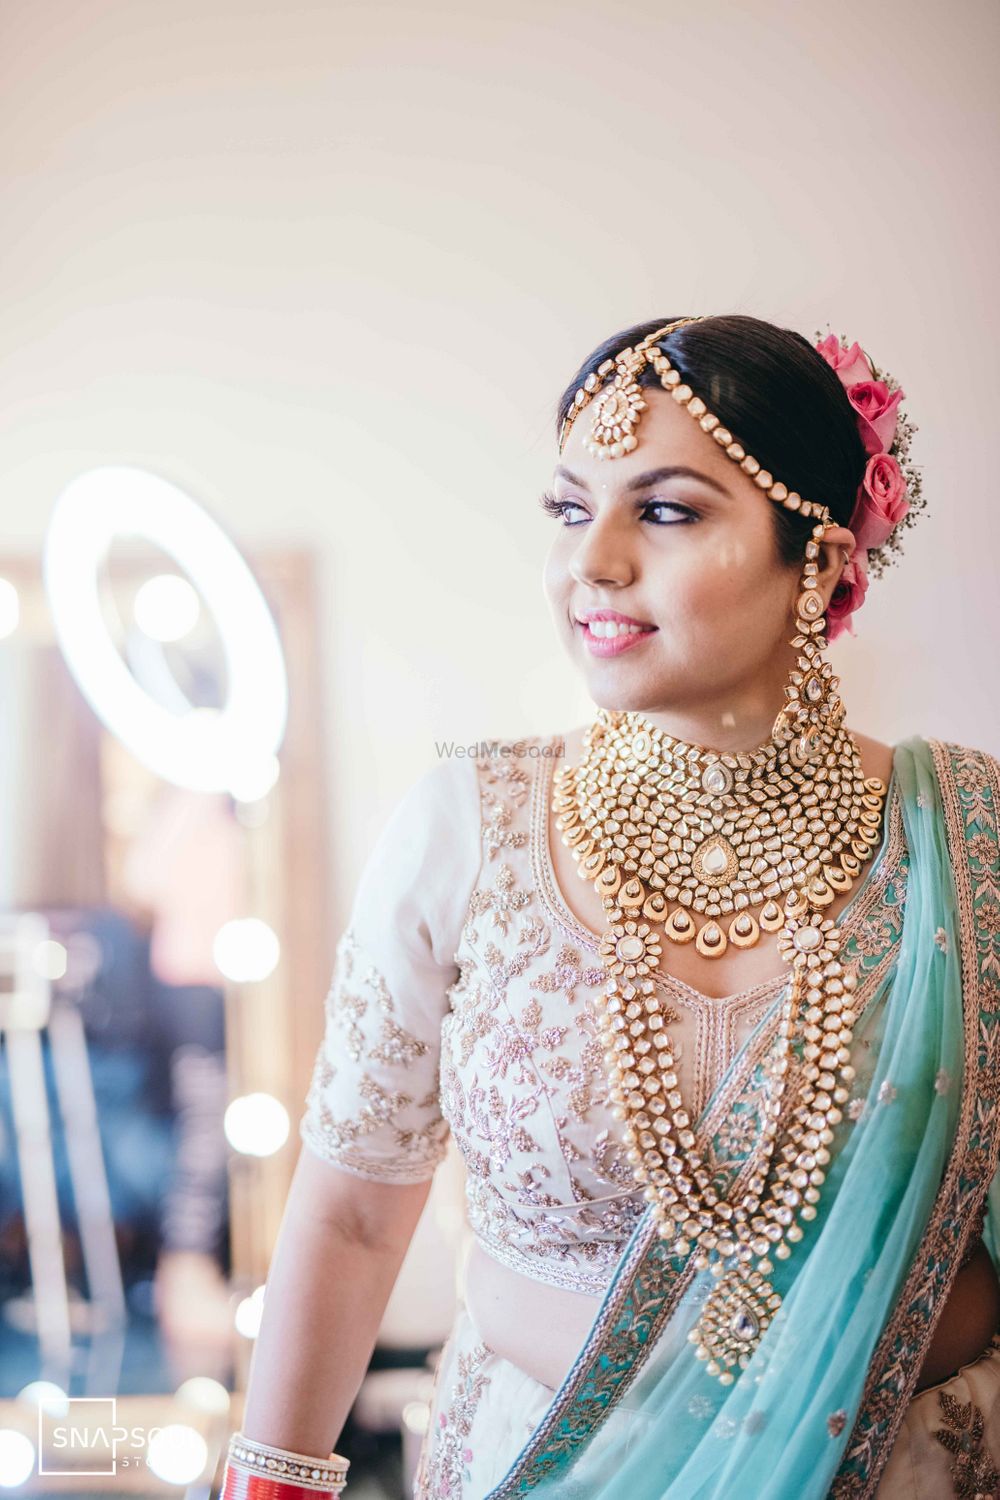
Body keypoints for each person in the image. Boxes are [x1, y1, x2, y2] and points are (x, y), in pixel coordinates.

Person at [218, 314, 1000, 1500]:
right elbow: (355, 1218)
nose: (594, 561)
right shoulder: (468, 826)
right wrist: (270, 1484)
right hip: (537, 1463)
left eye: (667, 510)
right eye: (571, 509)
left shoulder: (969, 841)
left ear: (825, 562)